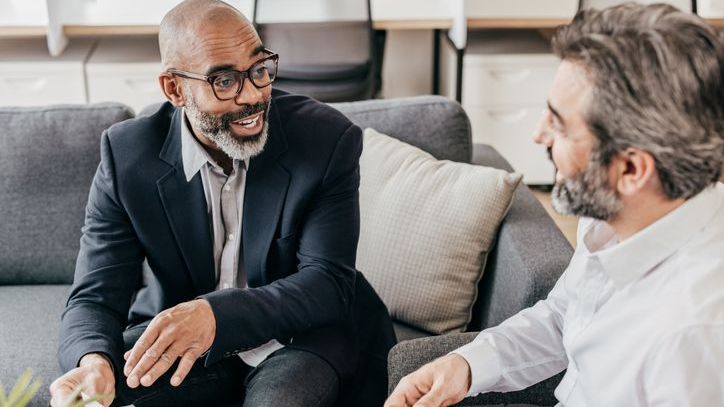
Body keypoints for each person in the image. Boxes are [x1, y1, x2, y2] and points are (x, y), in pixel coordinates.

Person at [49, 1, 395, 406]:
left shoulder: (326, 140)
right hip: (187, 345)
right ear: (174, 89)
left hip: (300, 339)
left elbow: (328, 284)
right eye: (225, 81)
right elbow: (95, 295)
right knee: (89, 398)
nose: (252, 95)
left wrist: (216, 315)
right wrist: (92, 360)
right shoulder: (126, 156)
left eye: (259, 69)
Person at [386, 4, 724, 407]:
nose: (537, 134)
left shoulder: (692, 336)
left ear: (631, 169)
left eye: (558, 123)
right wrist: (466, 365)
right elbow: (565, 314)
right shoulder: (618, 220)